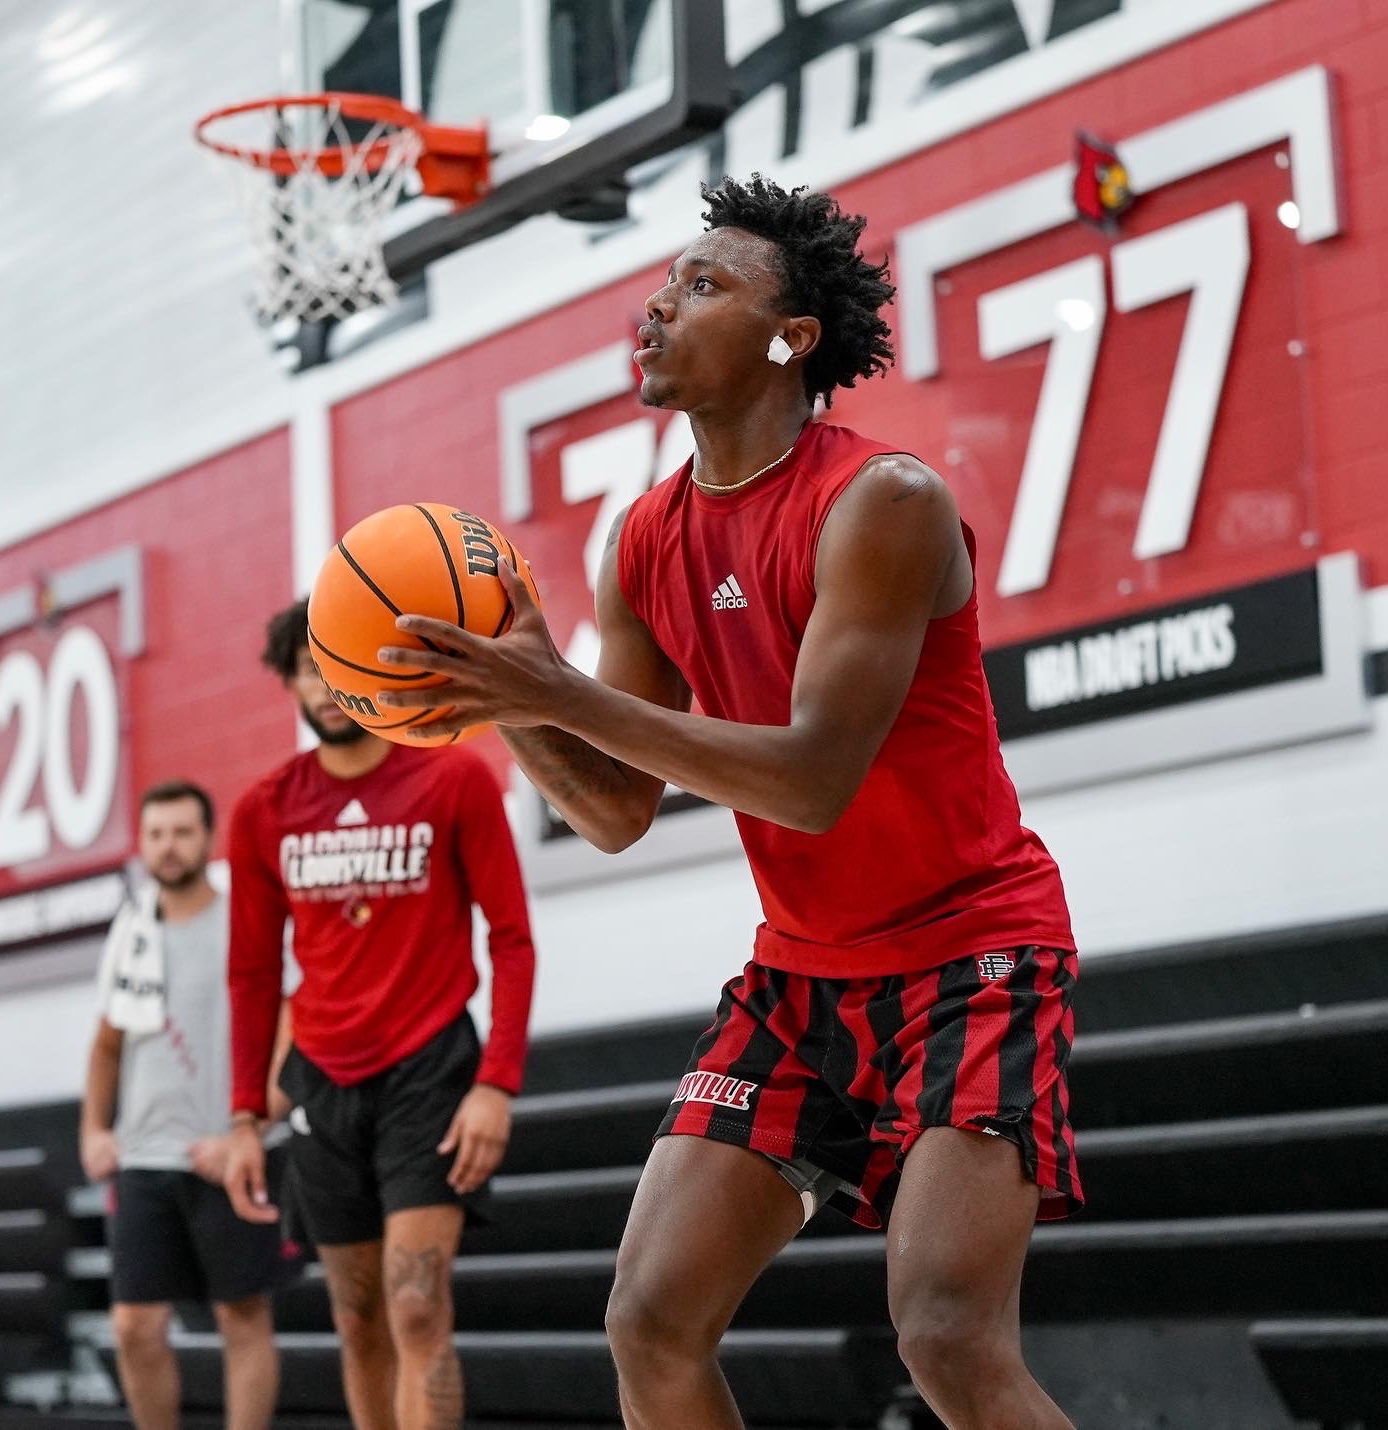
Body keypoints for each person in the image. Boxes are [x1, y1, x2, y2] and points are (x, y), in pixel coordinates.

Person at [371, 174, 1083, 1430]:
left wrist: (557, 692)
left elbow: (811, 780)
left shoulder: (885, 501)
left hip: (973, 953)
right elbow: (616, 810)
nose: (656, 307)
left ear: (789, 337)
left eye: (701, 285)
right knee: (650, 1319)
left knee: (946, 1331)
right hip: (803, 972)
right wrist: (505, 703)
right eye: (663, 283)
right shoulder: (643, 538)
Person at [222, 598, 537, 1430]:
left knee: (417, 1308)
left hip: (430, 1071)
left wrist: (497, 1084)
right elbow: (251, 974)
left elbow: (512, 938)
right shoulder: (263, 810)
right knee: (357, 1317)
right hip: (322, 1081)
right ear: (289, 682)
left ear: (368, 670)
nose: (326, 688)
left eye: (337, 667)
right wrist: (246, 1113)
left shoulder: (452, 776)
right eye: (308, 671)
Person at [81, 781, 284, 1430]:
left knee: (242, 1317)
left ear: (208, 838)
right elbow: (107, 1042)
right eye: (156, 834)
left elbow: (288, 1033)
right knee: (133, 1325)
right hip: (143, 1158)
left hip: (229, 1153)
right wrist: (93, 1129)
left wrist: (249, 1130)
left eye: (182, 832)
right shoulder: (131, 930)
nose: (168, 846)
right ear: (143, 844)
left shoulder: (244, 920)